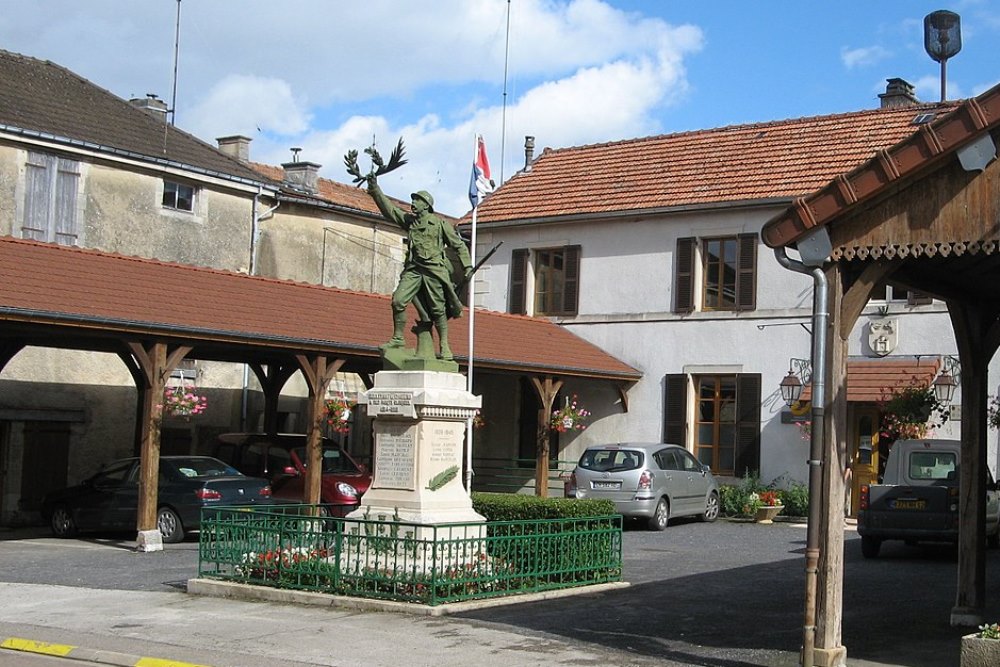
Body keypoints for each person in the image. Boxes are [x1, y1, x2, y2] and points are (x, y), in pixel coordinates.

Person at [366, 178, 472, 361]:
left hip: (434, 270)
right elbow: (390, 210)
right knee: (398, 301)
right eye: (413, 200)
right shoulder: (410, 222)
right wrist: (375, 188)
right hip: (414, 269)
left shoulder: (440, 225)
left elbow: (459, 246)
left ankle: (444, 345)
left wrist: (467, 266)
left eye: (417, 200)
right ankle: (398, 338)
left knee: (438, 310)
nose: (413, 203)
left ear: (427, 205)